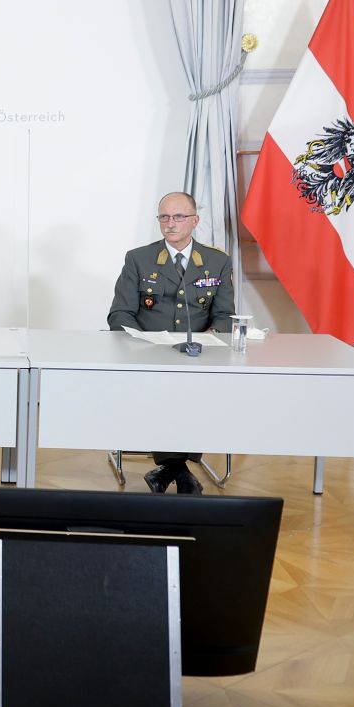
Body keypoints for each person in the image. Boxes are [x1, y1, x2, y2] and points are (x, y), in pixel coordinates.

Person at [106, 191, 235, 494]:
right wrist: (144, 345)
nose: (170, 223)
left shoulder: (217, 261)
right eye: (164, 217)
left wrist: (208, 341)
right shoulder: (139, 258)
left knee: (197, 391)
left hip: (199, 357)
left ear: (195, 221)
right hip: (148, 357)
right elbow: (119, 314)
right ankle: (181, 471)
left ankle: (168, 471)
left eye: (178, 217)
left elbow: (225, 316)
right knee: (164, 388)